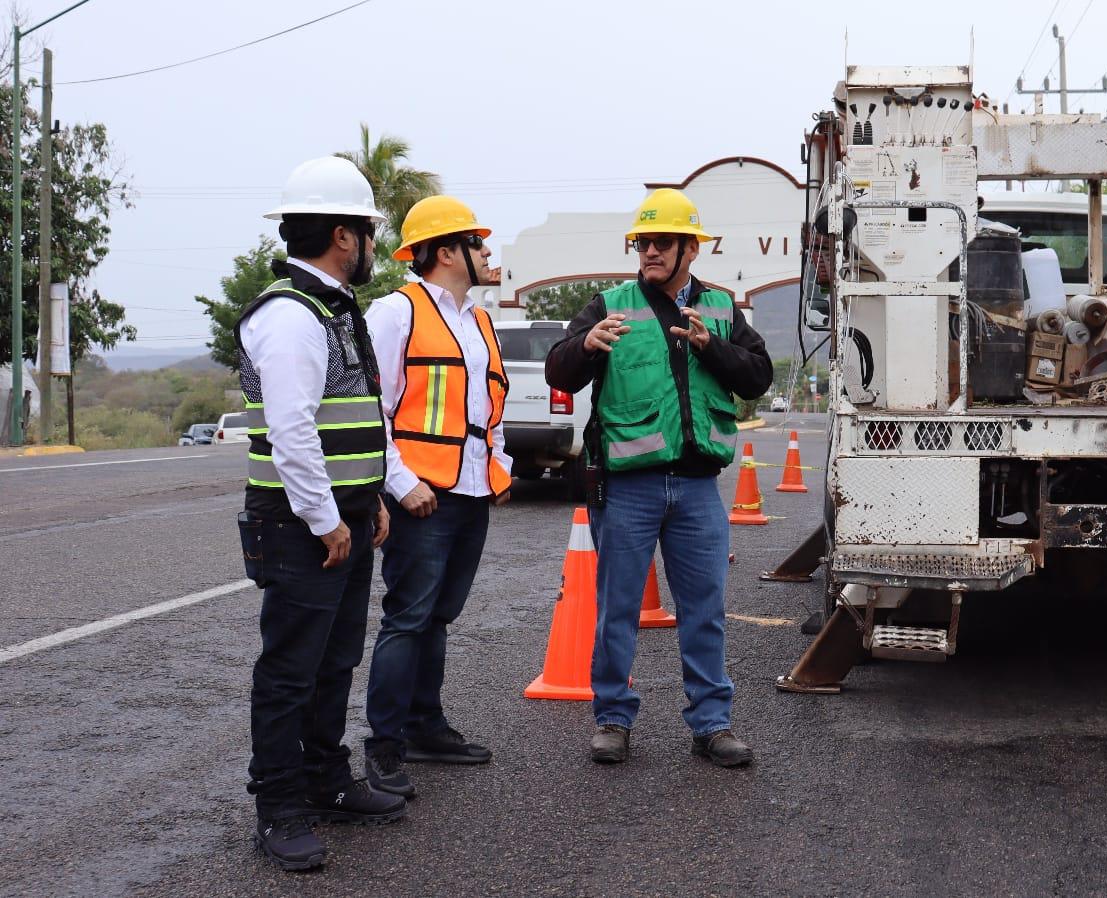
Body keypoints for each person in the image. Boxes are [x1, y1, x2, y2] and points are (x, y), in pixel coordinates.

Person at [545, 188, 772, 767]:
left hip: (697, 486)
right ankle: (614, 717)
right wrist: (584, 347)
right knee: (617, 607)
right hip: (630, 486)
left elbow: (757, 378)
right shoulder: (609, 304)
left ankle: (712, 723)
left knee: (705, 608)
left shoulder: (720, 307)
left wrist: (711, 346)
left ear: (690, 249)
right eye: (643, 242)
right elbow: (560, 371)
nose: (649, 251)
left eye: (662, 242)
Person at [238, 156, 406, 872]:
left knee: (335, 659)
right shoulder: (289, 315)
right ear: (344, 236)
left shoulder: (337, 307)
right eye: (369, 230)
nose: (373, 244)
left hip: (344, 515)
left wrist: (375, 496)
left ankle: (325, 780)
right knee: (290, 669)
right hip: (301, 523)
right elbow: (291, 430)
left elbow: (364, 413)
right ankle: (280, 808)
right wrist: (325, 519)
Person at [362, 196, 509, 797]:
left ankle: (425, 726)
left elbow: (484, 406)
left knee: (439, 616)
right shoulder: (396, 312)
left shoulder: (477, 319)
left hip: (470, 490)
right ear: (447, 251)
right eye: (477, 243)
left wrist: (498, 467)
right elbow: (374, 411)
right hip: (420, 492)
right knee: (408, 617)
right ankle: (385, 744)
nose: (487, 252)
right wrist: (400, 483)